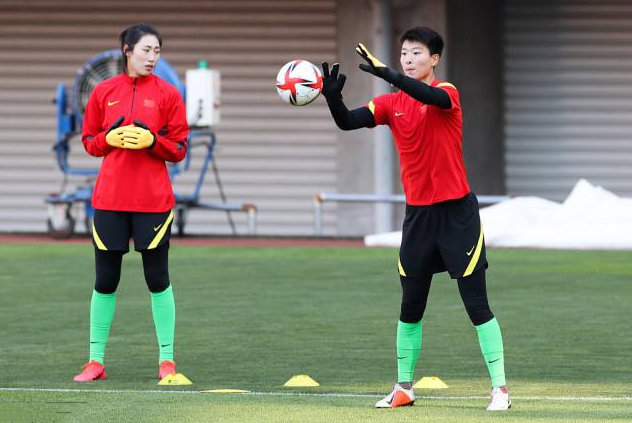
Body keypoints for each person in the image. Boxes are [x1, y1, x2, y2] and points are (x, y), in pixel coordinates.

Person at [320, 26, 510, 410]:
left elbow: (426, 94)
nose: (408, 59)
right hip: (419, 218)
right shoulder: (390, 105)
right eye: (404, 53)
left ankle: (500, 391)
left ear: (434, 59)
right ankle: (404, 387)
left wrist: (388, 73)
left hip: (458, 216)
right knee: (411, 306)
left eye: (416, 53)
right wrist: (333, 99)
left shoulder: (447, 94)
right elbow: (347, 122)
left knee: (476, 305)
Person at [73, 23, 188, 382]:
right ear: (127, 49)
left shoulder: (169, 95)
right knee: (105, 280)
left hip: (153, 202)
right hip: (109, 200)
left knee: (157, 278)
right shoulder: (103, 91)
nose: (152, 58)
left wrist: (152, 140)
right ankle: (95, 361)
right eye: (146, 51)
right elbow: (89, 141)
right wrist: (109, 137)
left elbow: (180, 149)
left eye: (157, 51)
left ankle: (167, 361)